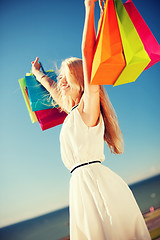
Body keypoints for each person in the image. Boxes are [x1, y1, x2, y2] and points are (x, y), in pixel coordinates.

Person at [31, 0, 151, 239]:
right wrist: (39, 74)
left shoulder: (89, 106)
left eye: (67, 77)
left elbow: (89, 55)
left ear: (82, 81)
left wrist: (89, 9)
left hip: (97, 185)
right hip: (80, 186)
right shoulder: (73, 113)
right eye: (60, 77)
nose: (61, 82)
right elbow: (54, 89)